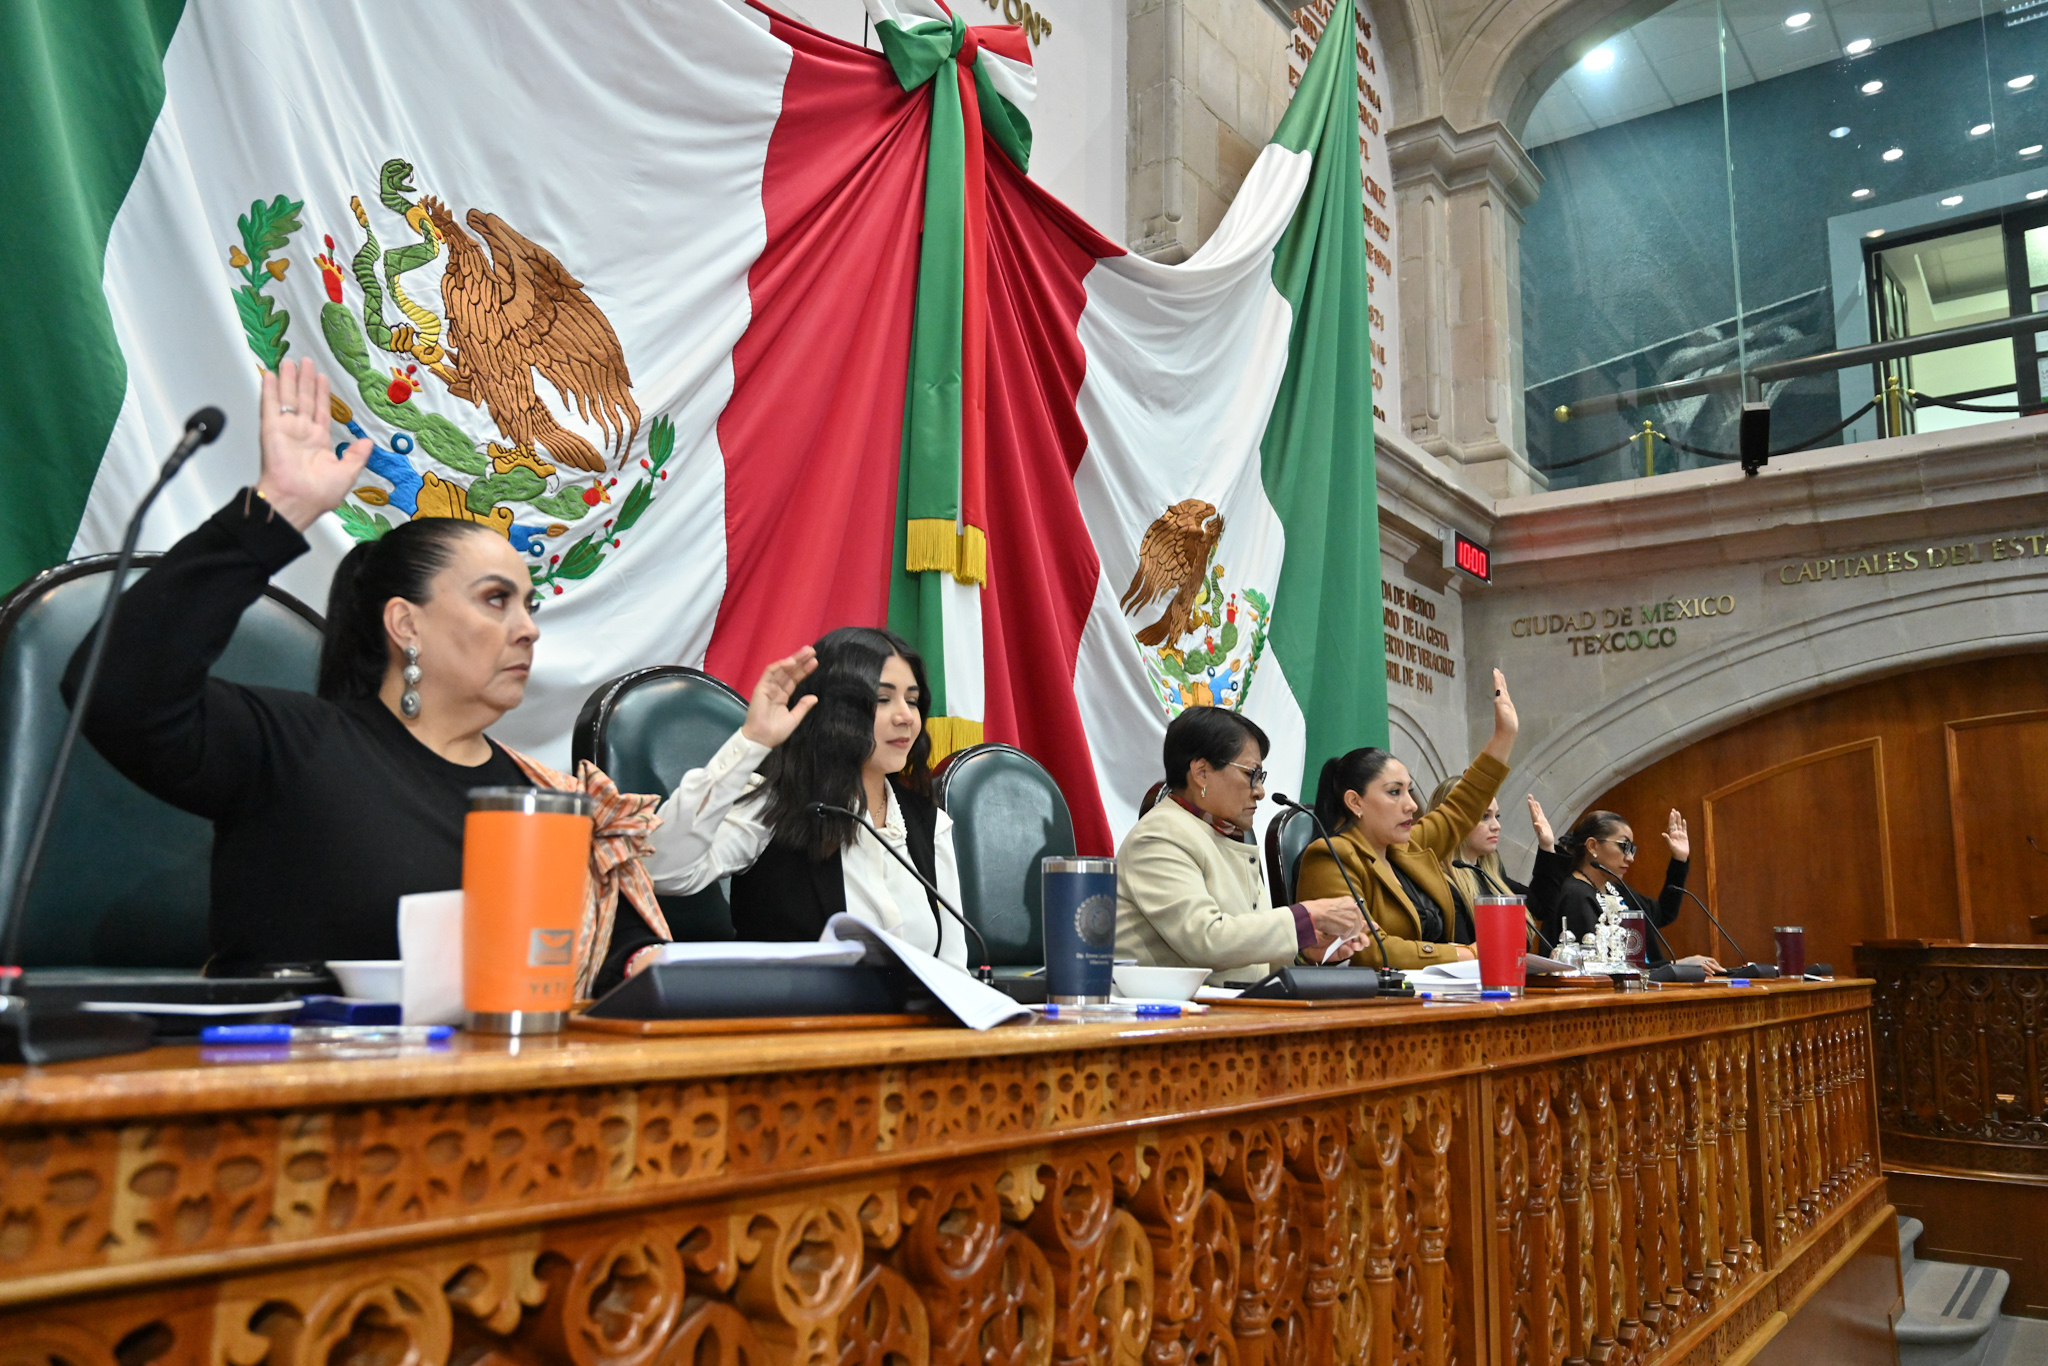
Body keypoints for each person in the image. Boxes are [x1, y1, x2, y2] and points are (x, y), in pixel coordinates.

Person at [66, 360, 668, 995]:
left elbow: (620, 956)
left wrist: (641, 963)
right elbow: (117, 690)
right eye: (496, 600)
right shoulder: (295, 748)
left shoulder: (542, 794)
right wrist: (274, 513)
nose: (527, 630)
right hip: (293, 1056)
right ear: (406, 624)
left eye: (529, 605)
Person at [642, 629, 970, 968]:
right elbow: (664, 872)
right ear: (835, 708)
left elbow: (953, 970)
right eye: (882, 699)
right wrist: (752, 741)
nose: (906, 717)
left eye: (912, 701)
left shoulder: (929, 823)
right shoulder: (775, 804)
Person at [1115, 707, 1365, 984]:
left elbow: (1245, 954)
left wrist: (1305, 952)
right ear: (1201, 773)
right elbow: (1207, 940)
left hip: (1225, 1004)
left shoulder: (1224, 834)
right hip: (1164, 1008)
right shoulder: (1160, 835)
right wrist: (1305, 917)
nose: (1260, 791)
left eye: (1260, 777)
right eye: (1251, 774)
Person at [1294, 670, 1520, 969]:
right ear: (1355, 802)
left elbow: (1461, 808)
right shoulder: (1330, 856)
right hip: (1375, 996)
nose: (1412, 805)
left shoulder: (1405, 849)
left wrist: (1504, 737)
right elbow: (1367, 950)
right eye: (1394, 792)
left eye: (1409, 791)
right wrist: (1465, 954)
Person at [1524, 801, 1723, 971]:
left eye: (1632, 849)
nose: (1630, 858)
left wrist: (1679, 860)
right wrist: (1675, 965)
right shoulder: (1574, 895)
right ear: (1592, 846)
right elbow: (1598, 968)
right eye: (1623, 846)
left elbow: (1664, 913)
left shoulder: (1615, 890)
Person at [1423, 782, 1544, 951]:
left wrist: (1546, 846)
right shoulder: (1442, 885)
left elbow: (1541, 907)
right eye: (1484, 817)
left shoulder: (1489, 873)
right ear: (1454, 821)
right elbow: (1464, 955)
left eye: (1496, 816)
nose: (1497, 826)